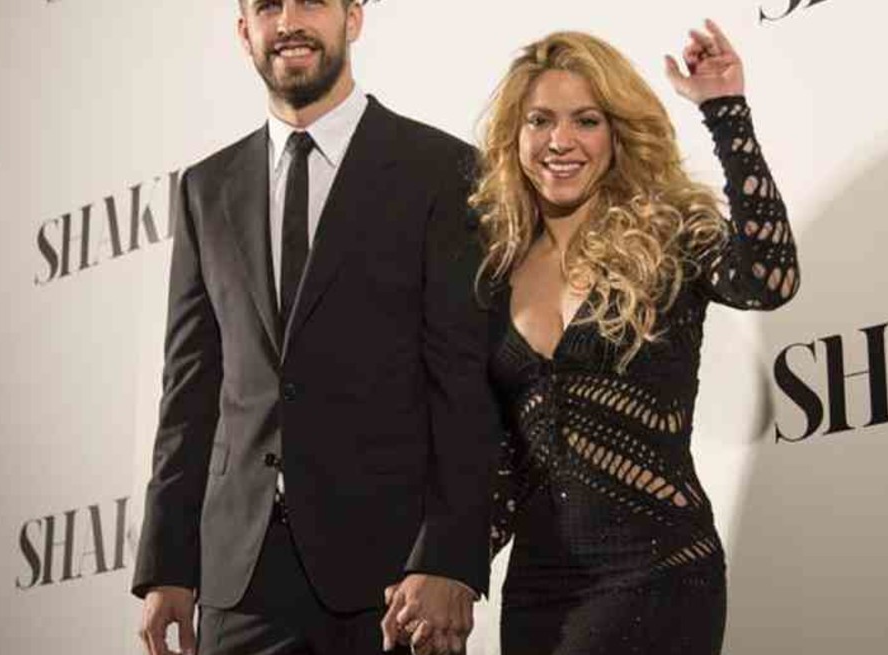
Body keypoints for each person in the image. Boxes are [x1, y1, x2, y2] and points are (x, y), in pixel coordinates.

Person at [131, 2, 496, 654]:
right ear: (244, 31)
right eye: (268, 6)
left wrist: (450, 556)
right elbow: (189, 392)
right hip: (240, 578)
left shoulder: (443, 170)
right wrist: (167, 565)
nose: (289, 22)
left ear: (353, 18)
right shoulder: (204, 189)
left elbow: (465, 385)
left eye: (312, 2)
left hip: (395, 577)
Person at [474, 22, 800, 654]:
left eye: (586, 120)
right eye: (540, 121)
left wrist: (726, 111)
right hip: (538, 591)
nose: (560, 141)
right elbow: (508, 461)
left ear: (618, 132)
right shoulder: (494, 272)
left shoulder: (668, 234)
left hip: (658, 574)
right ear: (515, 135)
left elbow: (769, 278)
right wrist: (441, 569)